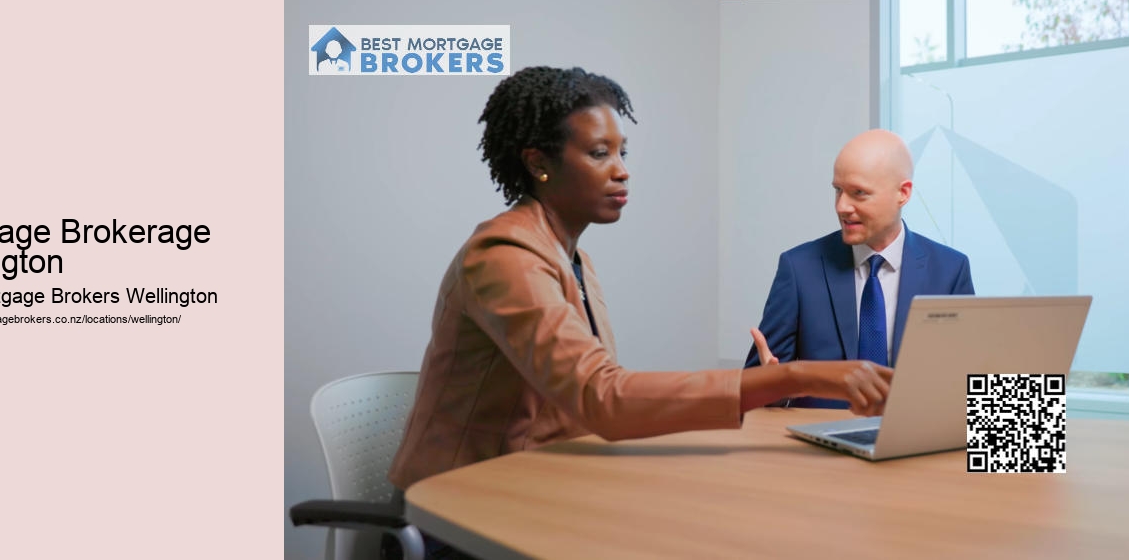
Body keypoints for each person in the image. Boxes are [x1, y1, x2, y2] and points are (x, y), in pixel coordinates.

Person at [389, 66, 895, 492]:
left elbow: (590, 404)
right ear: (539, 163)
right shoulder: (505, 256)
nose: (621, 171)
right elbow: (603, 397)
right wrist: (795, 377)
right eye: (599, 153)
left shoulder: (574, 259)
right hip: (459, 506)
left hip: (542, 484)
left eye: (622, 153)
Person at [745, 129, 975, 408]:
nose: (842, 206)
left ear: (903, 193)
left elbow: (964, 381)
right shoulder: (799, 268)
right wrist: (769, 386)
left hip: (911, 433)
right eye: (838, 190)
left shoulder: (950, 270)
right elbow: (754, 390)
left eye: (859, 193)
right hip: (818, 435)